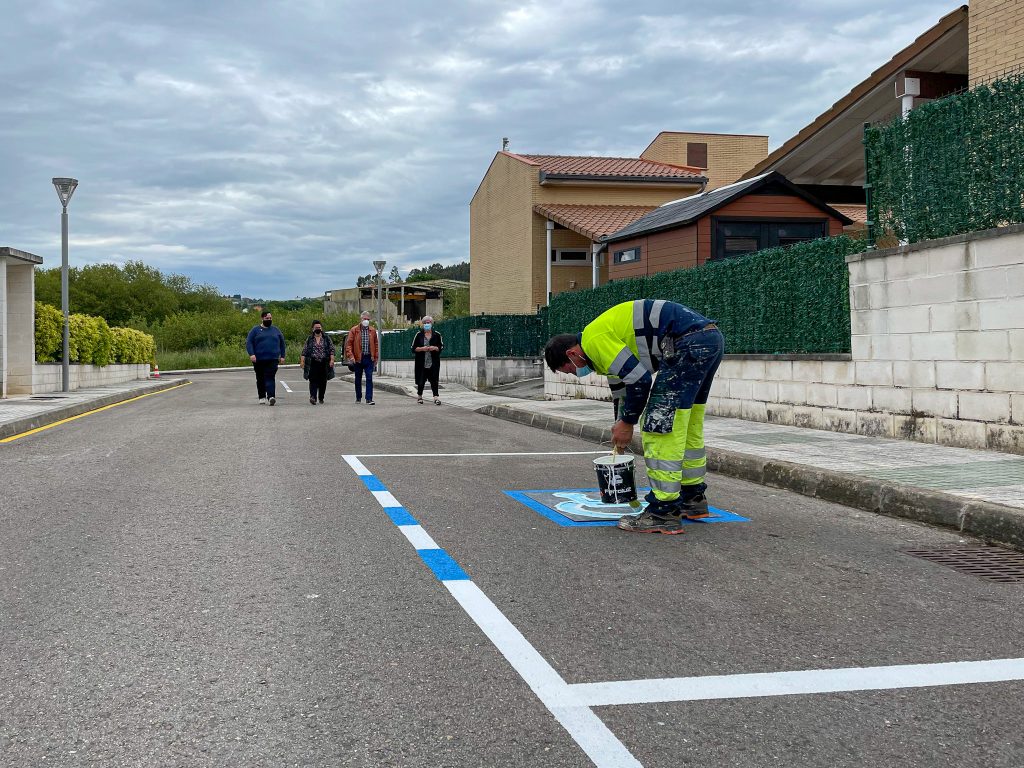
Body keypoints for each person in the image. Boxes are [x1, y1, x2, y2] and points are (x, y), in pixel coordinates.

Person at [544, 299, 724, 535]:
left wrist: (628, 423)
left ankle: (664, 511)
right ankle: (693, 499)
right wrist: (620, 425)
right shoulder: (602, 353)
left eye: (568, 369)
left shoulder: (594, 339)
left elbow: (640, 380)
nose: (576, 374)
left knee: (658, 425)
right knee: (686, 423)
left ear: (572, 353)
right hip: (709, 339)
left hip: (686, 343)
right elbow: (623, 395)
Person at [246, 309, 286, 406]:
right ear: (262, 318)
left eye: (270, 318)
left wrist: (282, 356)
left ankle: (271, 396)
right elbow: (249, 342)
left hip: (272, 358)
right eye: (267, 318)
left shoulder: (276, 330)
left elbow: (282, 343)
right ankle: (262, 396)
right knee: (260, 378)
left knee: (270, 377)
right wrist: (252, 354)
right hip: (259, 359)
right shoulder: (255, 330)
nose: (269, 319)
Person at [343, 311, 379, 405]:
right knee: (358, 378)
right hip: (358, 357)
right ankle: (358, 397)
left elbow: (376, 345)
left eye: (368, 319)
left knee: (369, 378)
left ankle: (369, 399)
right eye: (364, 319)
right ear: (361, 319)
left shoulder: (372, 330)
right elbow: (349, 344)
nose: (366, 321)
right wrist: (351, 356)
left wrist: (375, 357)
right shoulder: (354, 330)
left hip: (368, 358)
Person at [300, 319, 336, 405]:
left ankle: (321, 397)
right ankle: (313, 397)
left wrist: (332, 360)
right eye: (316, 327)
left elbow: (331, 350)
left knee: (323, 381)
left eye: (319, 327)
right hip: (313, 362)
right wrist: (302, 361)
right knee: (313, 380)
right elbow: (304, 351)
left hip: (324, 362)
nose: (318, 329)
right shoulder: (309, 339)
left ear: (322, 328)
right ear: (313, 329)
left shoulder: (326, 338)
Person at [411, 316, 444, 405]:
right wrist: (422, 349)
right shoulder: (418, 335)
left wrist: (435, 348)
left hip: (433, 362)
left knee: (434, 380)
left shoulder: (437, 335)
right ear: (423, 324)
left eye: (428, 323)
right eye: (425, 323)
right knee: (421, 381)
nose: (427, 324)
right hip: (421, 362)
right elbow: (413, 348)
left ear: (431, 324)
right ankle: (420, 396)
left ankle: (436, 397)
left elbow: (441, 347)